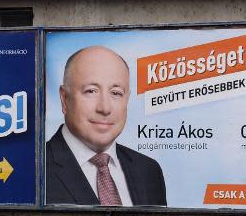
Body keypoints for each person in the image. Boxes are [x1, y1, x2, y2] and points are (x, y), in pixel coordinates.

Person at [46, 46, 167, 206]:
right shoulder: (34, 170)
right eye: (91, 91)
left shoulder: (149, 171)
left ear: (127, 100)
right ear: (64, 98)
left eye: (116, 93)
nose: (104, 108)